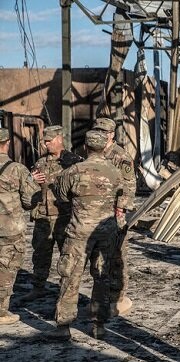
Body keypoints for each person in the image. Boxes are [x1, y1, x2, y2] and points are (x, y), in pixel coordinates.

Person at [49, 130, 123, 340]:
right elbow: (122, 197)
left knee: (70, 276)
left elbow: (62, 197)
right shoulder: (115, 172)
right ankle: (98, 325)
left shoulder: (72, 171)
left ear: (85, 148)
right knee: (101, 277)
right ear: (103, 147)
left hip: (78, 232)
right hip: (106, 233)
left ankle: (63, 326)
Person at [20, 125, 82, 302]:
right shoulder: (40, 162)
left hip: (64, 216)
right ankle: (38, 287)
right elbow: (29, 189)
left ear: (59, 139)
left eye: (49, 141)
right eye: (44, 141)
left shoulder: (73, 161)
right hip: (43, 217)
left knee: (67, 255)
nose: (46, 144)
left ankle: (67, 291)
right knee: (40, 254)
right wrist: (32, 180)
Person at [92, 117, 136, 316]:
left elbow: (129, 186)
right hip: (97, 212)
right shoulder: (94, 152)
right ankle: (102, 296)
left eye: (103, 131)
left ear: (111, 134)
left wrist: (121, 208)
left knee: (117, 257)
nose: (100, 134)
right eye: (97, 130)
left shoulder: (120, 156)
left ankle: (118, 298)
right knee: (99, 257)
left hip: (114, 213)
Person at [0, 128, 40, 325]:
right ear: (7, 143)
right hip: (10, 229)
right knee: (6, 268)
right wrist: (32, 182)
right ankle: (1, 312)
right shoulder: (17, 169)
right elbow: (29, 201)